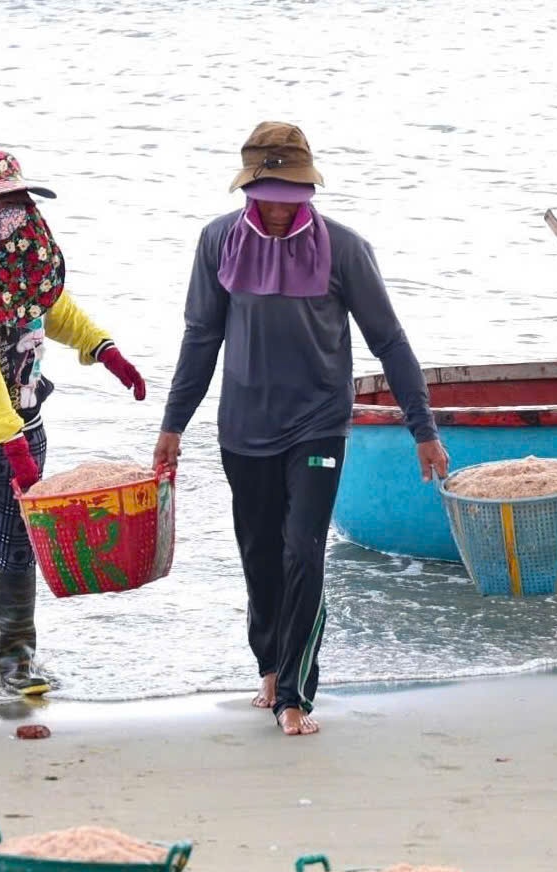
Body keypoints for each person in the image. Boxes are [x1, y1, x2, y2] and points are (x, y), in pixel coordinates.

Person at [154, 122, 449, 736]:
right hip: (242, 427)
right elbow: (201, 338)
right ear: (248, 192)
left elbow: (390, 341)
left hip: (318, 426)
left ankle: (294, 693)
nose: (279, 211)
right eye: (268, 198)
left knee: (303, 551)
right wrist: (172, 425)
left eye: (291, 198)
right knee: (259, 556)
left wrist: (423, 429)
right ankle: (268, 665)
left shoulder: (344, 249)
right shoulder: (217, 242)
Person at [0, 149, 147, 716]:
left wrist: (105, 350)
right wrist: (13, 445)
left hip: (24, 426)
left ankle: (17, 659)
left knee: (18, 543)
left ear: (26, 204)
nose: (1, 218)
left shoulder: (33, 264)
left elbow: (58, 313)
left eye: (10, 204)